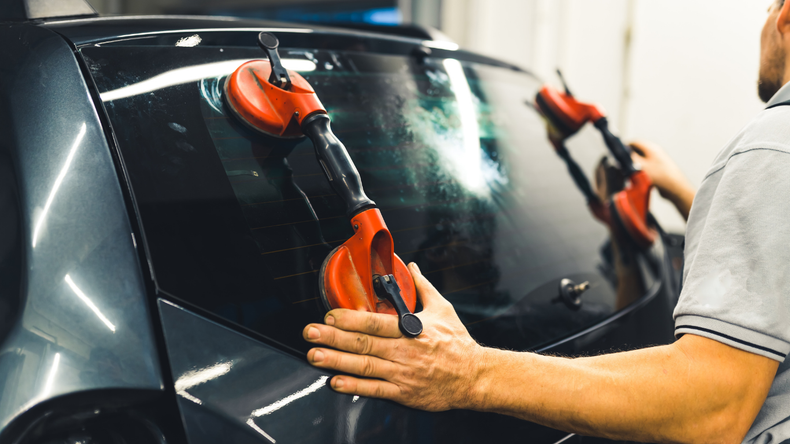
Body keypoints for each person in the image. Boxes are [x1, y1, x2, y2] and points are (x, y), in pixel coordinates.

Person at [302, 1, 790, 442]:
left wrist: (469, 372)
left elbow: (714, 407)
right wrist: (688, 193)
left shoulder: (771, 147)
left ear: (786, 16)